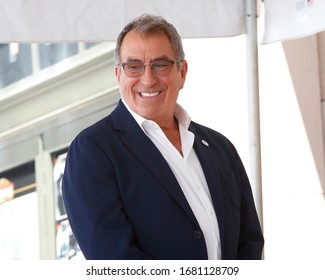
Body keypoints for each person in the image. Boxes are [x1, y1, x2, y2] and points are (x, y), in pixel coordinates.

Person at [62, 14, 264, 260]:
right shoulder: (93, 151)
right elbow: (114, 259)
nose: (148, 79)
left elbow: (249, 242)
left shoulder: (220, 148)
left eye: (160, 65)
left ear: (183, 71)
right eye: (134, 66)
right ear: (118, 75)